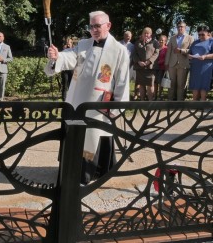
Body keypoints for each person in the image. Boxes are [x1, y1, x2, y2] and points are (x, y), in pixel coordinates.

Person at [45, 10, 130, 185]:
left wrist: (117, 107)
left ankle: (93, 172)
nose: (94, 30)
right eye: (91, 26)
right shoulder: (84, 43)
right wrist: (57, 56)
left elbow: (122, 81)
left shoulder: (119, 50)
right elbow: (70, 57)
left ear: (108, 25)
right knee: (74, 136)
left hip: (98, 104)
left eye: (98, 26)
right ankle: (71, 171)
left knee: (95, 136)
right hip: (77, 100)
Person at [165, 21, 194, 101]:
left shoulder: (190, 38)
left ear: (185, 28)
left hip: (183, 64)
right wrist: (166, 63)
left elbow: (192, 50)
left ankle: (179, 102)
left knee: (181, 85)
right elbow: (169, 51)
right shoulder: (172, 38)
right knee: (171, 84)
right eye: (178, 27)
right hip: (172, 64)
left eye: (182, 26)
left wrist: (181, 50)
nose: (180, 28)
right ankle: (170, 101)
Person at [132, 27, 160, 101]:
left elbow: (156, 53)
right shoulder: (137, 42)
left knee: (150, 84)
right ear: (142, 34)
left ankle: (150, 101)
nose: (146, 35)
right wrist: (138, 61)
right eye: (145, 33)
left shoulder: (155, 42)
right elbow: (134, 54)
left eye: (148, 33)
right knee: (141, 84)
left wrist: (149, 61)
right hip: (140, 67)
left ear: (150, 34)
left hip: (150, 67)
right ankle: (142, 101)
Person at [188, 25, 213, 101]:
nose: (201, 36)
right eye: (199, 34)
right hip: (195, 67)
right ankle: (194, 104)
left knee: (203, 86)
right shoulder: (195, 42)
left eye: (203, 34)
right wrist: (189, 56)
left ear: (208, 33)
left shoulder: (211, 41)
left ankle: (202, 104)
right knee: (195, 85)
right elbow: (190, 52)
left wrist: (205, 56)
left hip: (206, 67)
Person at [119, 31, 137, 100]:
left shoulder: (132, 46)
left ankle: (126, 96)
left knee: (127, 81)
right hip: (120, 65)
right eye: (127, 35)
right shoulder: (119, 44)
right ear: (124, 36)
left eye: (129, 36)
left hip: (129, 66)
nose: (128, 37)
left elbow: (133, 56)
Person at [153, 35, 168, 100]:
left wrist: (158, 62)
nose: (161, 41)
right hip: (154, 67)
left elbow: (166, 58)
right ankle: (154, 95)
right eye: (160, 40)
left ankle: (160, 96)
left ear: (165, 41)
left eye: (163, 40)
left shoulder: (166, 49)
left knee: (160, 83)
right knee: (155, 82)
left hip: (162, 68)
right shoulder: (156, 48)